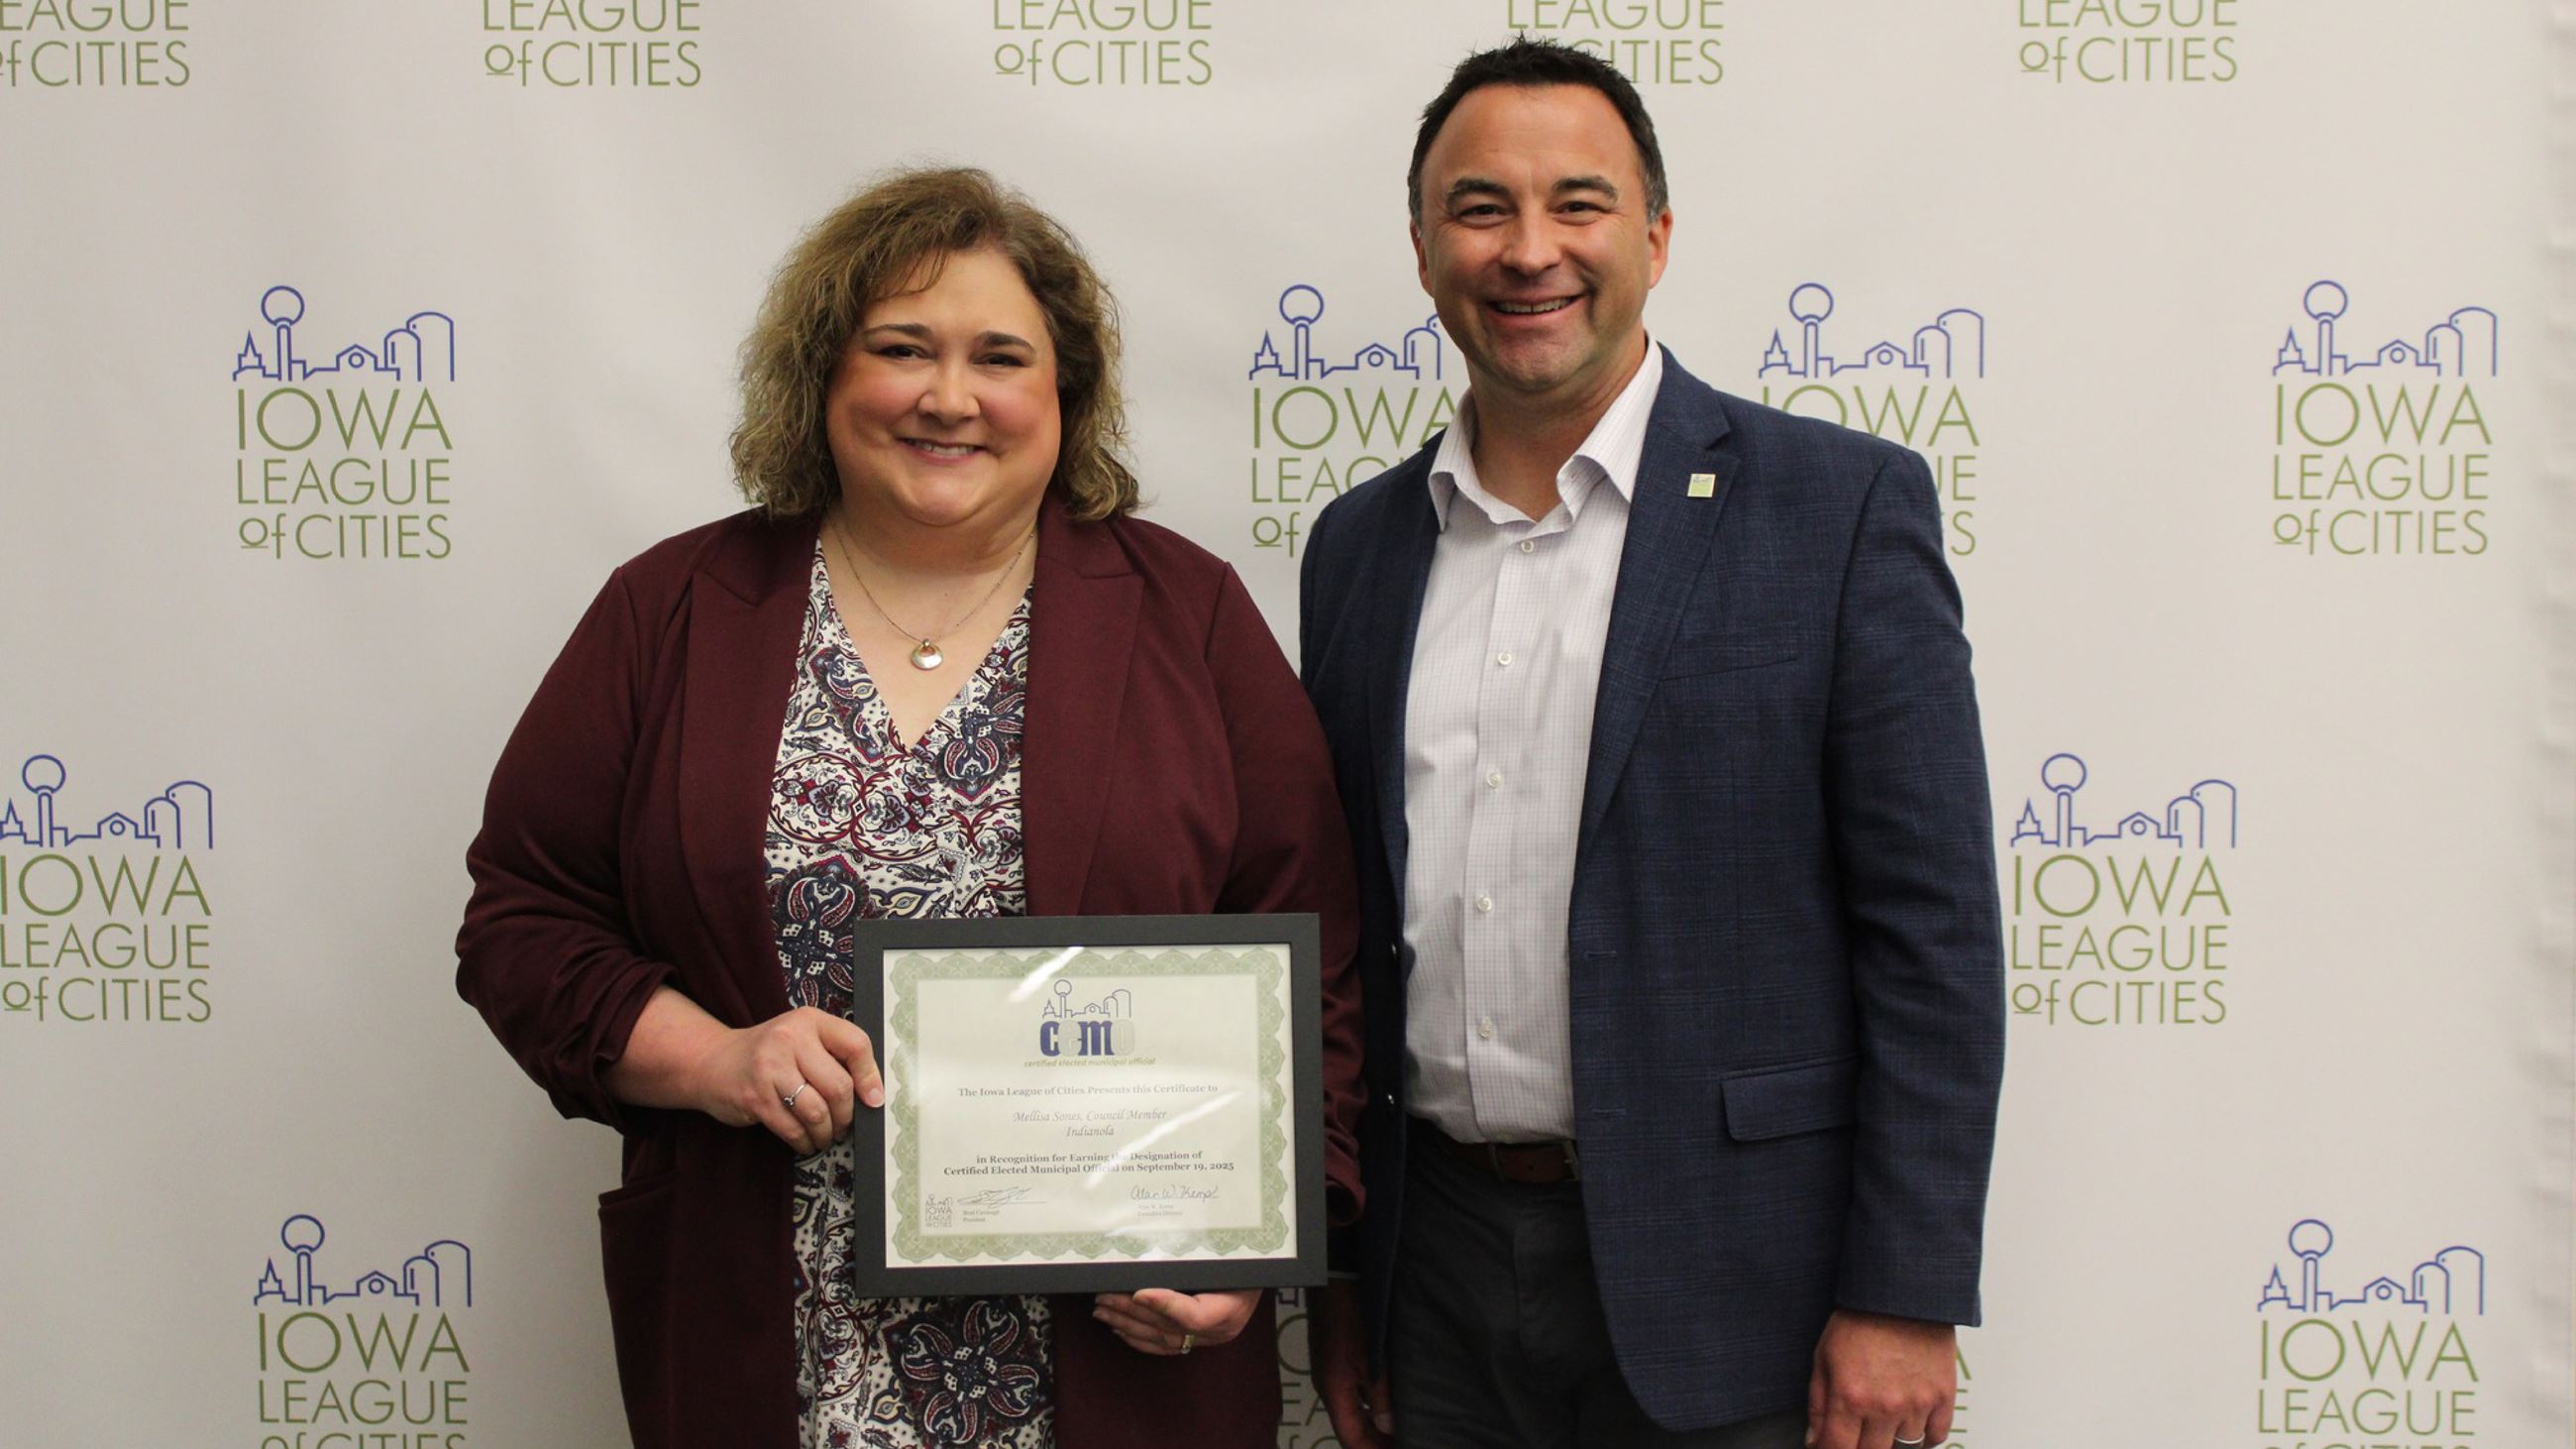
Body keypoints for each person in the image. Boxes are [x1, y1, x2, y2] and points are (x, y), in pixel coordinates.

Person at [456, 167, 1364, 1449]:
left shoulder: (1188, 614)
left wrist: (1261, 1240)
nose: (949, 395)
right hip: (777, 1331)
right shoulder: (671, 612)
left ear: (1066, 395)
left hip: (1118, 1356)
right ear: (824, 375)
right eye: (901, 349)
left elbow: (1312, 955)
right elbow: (524, 918)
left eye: (1000, 355)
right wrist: (712, 1057)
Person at [1298, 40, 2004, 1449]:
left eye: (1579, 202)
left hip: (1749, 1286)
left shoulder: (1838, 510)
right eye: (1481, 207)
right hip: (1432, 1273)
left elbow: (1933, 935)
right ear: (1426, 247)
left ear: (1657, 237)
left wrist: (1906, 1290)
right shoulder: (1358, 549)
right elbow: (1347, 932)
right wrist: (1341, 1281)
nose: (1529, 250)